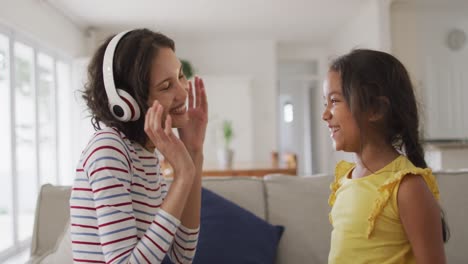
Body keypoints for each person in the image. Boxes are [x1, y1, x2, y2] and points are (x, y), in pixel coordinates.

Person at [70, 28, 208, 263]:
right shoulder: (108, 150)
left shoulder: (145, 155)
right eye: (166, 86)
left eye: (180, 76)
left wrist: (193, 151)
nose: (183, 91)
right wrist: (183, 175)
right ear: (127, 102)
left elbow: (182, 255)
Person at [323, 49, 449, 264]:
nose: (325, 115)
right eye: (324, 103)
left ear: (376, 109)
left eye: (334, 101)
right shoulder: (345, 180)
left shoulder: (407, 187)